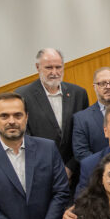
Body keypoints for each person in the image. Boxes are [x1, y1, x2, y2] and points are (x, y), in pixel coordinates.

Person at [16, 47, 89, 180]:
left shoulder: (79, 93)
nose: (54, 72)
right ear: (38, 67)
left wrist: (70, 167)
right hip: (42, 172)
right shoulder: (22, 96)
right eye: (49, 67)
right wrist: (54, 170)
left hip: (76, 172)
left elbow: (84, 134)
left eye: (58, 67)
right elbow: (25, 137)